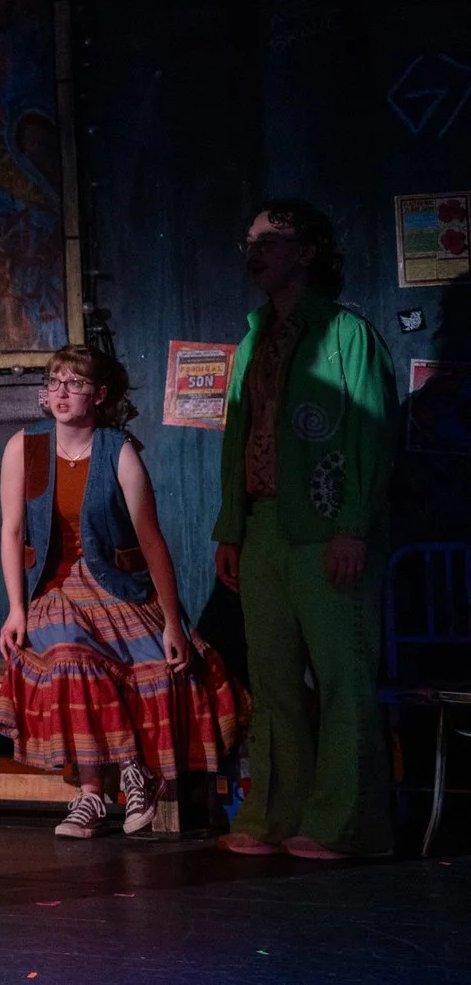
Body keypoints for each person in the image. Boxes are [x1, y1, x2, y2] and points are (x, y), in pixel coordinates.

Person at [0, 346, 245, 839]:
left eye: (75, 383)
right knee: (70, 655)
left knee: (163, 666)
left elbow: (151, 540)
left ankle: (135, 777)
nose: (61, 392)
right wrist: (15, 609)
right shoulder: (27, 447)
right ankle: (94, 794)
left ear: (99, 395)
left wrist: (173, 621)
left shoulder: (118, 450)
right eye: (54, 381)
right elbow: (10, 531)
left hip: (116, 588)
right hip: (55, 588)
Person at [212, 200, 398, 859]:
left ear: (307, 251)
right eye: (249, 240)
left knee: (343, 674)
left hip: (326, 528)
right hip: (264, 529)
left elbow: (370, 435)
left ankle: (342, 822)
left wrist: (352, 527)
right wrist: (230, 528)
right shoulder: (252, 339)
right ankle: (272, 814)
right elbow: (238, 438)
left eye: (271, 238)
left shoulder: (347, 333)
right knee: (273, 679)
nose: (255, 250)